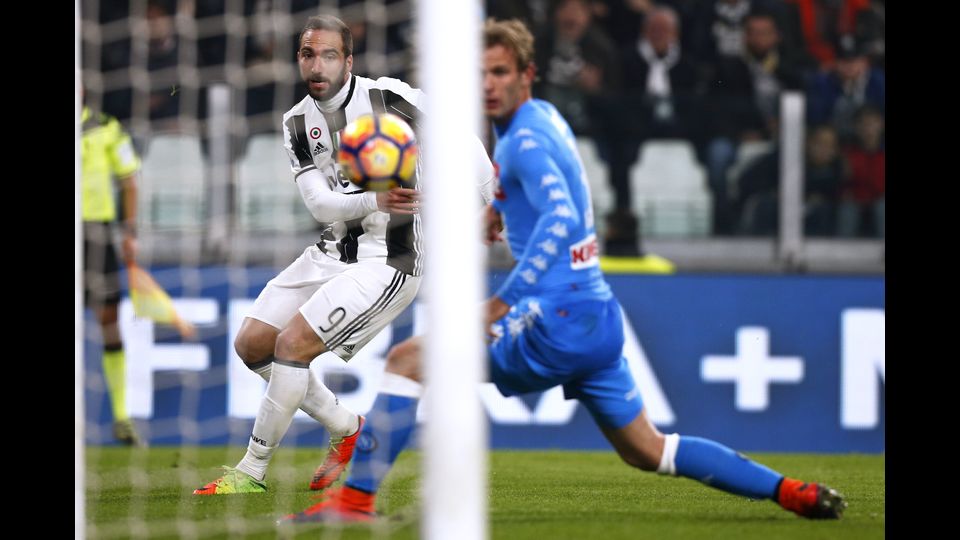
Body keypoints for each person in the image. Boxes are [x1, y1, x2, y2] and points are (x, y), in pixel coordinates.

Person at [283, 18, 847, 522]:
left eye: (500, 72)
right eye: (479, 72)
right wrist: (499, 212)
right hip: (596, 316)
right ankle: (790, 491)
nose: (487, 84)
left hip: (551, 317)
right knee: (649, 450)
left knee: (409, 360)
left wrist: (505, 300)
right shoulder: (544, 120)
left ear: (526, 74)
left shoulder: (523, 141)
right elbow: (560, 196)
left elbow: (559, 218)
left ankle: (354, 503)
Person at [194, 14, 494, 495]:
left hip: (391, 259)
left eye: (329, 54)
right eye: (308, 54)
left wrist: (475, 212)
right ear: (299, 59)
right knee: (252, 344)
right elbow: (318, 203)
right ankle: (348, 428)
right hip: (334, 250)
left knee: (292, 346)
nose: (318, 65)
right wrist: (376, 199)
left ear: (348, 61)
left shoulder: (388, 99)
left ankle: (251, 471)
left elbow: (470, 152)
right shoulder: (297, 121)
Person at [81, 98, 143, 446]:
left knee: (108, 320)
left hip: (97, 234)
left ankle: (121, 417)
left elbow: (129, 180)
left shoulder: (106, 127)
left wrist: (129, 232)